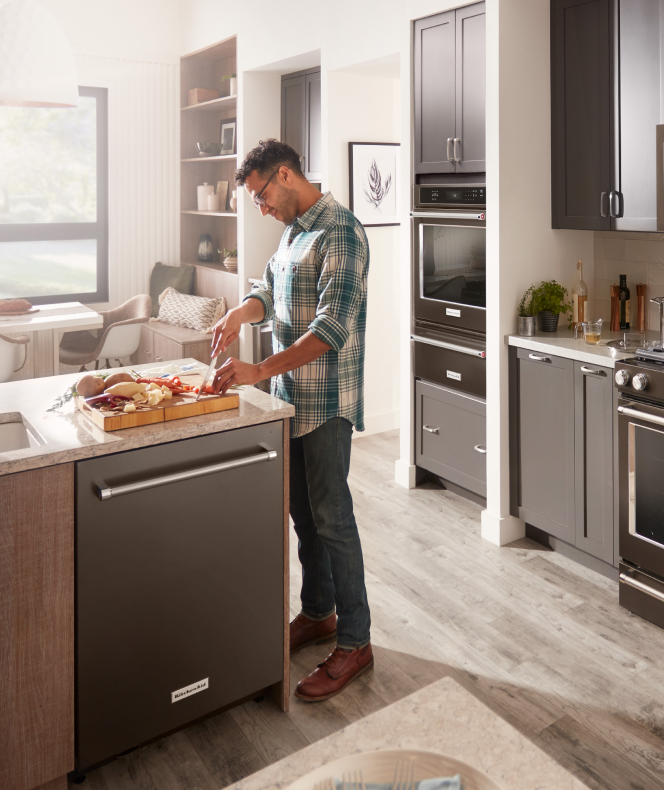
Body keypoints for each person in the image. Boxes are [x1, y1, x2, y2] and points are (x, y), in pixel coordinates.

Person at [210, 138, 373, 702]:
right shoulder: (294, 231)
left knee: (334, 520)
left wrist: (259, 369)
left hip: (325, 403)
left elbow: (330, 331)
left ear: (284, 175)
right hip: (288, 401)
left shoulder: (342, 233)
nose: (261, 208)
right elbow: (268, 291)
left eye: (260, 196)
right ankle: (319, 613)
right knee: (302, 515)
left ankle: (355, 641)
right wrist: (241, 310)